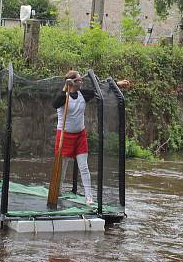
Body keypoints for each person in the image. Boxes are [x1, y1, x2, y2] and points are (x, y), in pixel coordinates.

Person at [51, 71, 129, 205]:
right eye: (79, 80)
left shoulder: (83, 94)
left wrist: (118, 84)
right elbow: (55, 103)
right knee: (62, 167)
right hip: (64, 136)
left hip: (80, 136)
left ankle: (89, 197)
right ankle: (57, 192)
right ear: (73, 82)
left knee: (84, 167)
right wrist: (65, 87)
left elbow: (101, 89)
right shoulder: (63, 96)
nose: (82, 81)